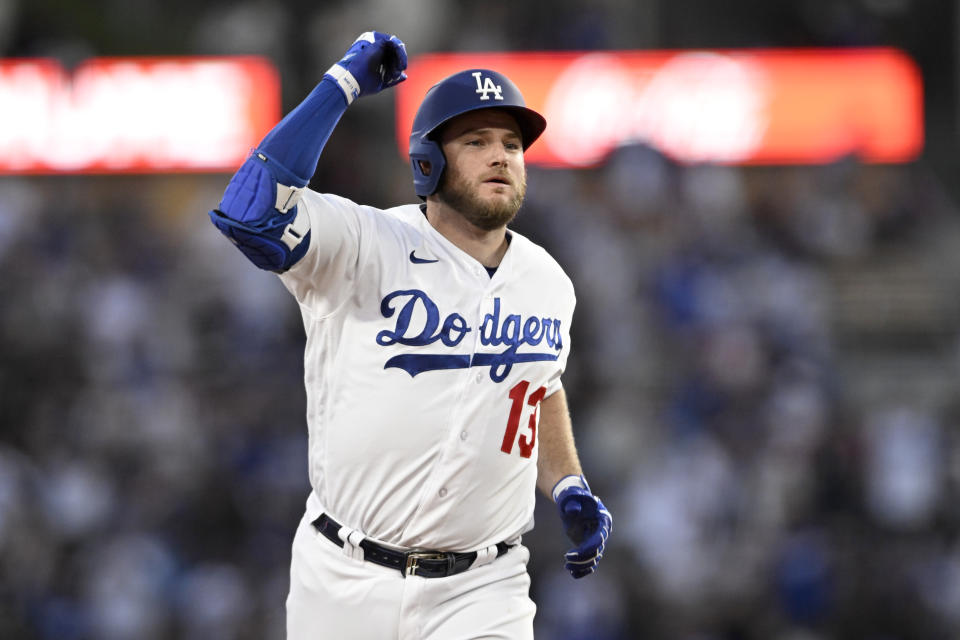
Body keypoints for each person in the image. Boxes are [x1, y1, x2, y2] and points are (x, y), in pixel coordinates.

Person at [208, 31, 612, 639]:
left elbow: (538, 386)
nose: (501, 155)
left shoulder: (549, 282)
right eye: (475, 141)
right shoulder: (365, 242)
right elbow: (249, 211)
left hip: (483, 587)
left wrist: (568, 482)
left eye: (511, 143)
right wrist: (340, 86)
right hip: (343, 581)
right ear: (428, 162)